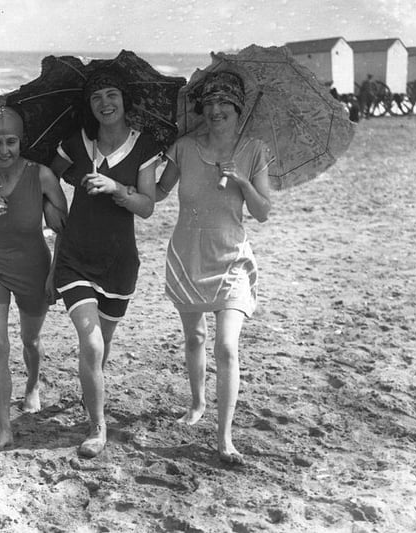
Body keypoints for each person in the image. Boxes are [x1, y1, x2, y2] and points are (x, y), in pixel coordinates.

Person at [155, 71, 271, 465]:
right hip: (188, 255)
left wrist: (241, 179)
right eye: (209, 104)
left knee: (225, 347)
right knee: (194, 339)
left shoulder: (253, 149)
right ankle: (197, 403)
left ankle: (224, 438)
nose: (216, 110)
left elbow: (263, 213)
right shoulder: (184, 147)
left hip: (232, 258)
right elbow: (156, 193)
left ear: (238, 108)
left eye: (225, 104)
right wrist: (132, 172)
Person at [49, 67, 159, 458]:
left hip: (119, 262)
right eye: (96, 98)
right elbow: (49, 171)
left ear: (124, 100)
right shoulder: (76, 142)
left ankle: (89, 394)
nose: (105, 103)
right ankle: (97, 426)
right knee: (92, 344)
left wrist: (116, 188)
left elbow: (147, 207)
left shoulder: (143, 146)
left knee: (102, 343)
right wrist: (63, 195)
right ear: (89, 105)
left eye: (112, 95)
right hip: (74, 257)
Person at [0, 106, 68, 454]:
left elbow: (64, 229)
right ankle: (4, 428)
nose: (4, 150)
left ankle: (33, 384)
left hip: (35, 267)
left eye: (10, 142)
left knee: (30, 340)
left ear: (20, 142)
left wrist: (54, 274)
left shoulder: (43, 175)